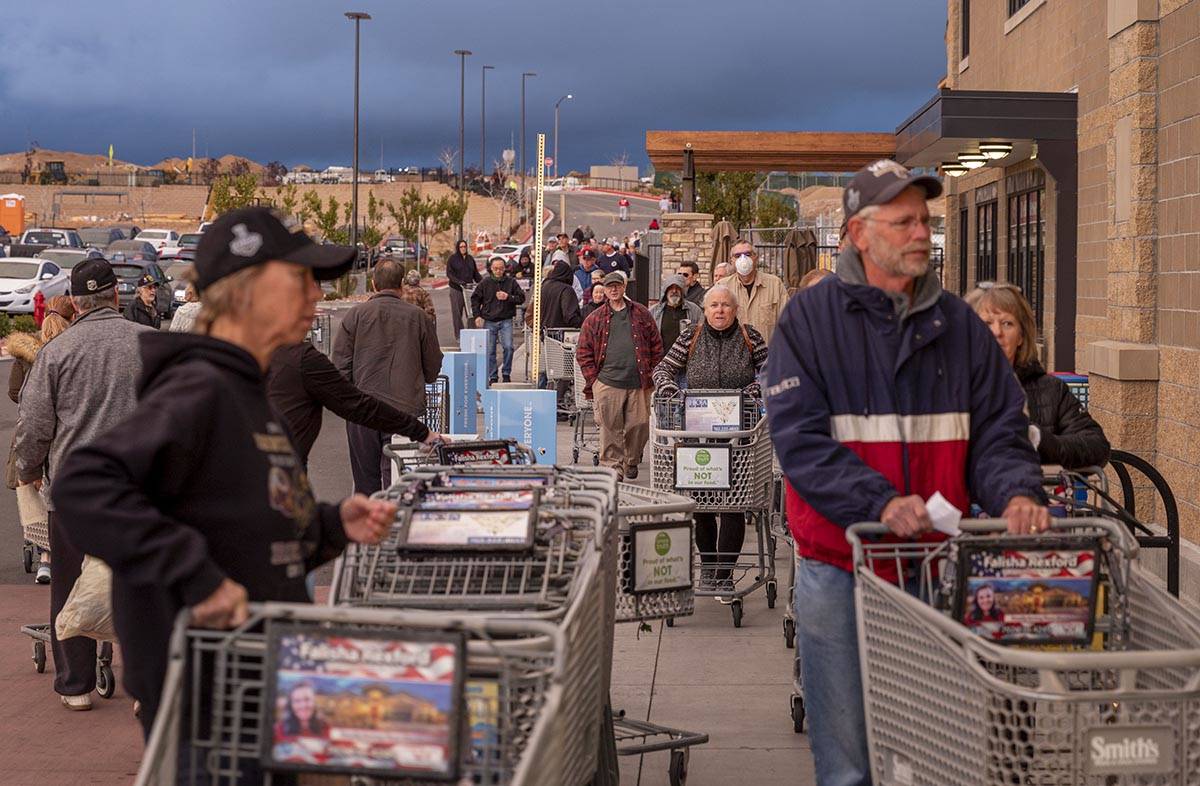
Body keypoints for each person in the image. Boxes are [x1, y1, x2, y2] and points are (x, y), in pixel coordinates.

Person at [52, 207, 397, 745]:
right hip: (210, 703)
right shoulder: (200, 387)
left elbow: (257, 533)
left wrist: (333, 526)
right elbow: (85, 483)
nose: (316, 296)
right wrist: (196, 577)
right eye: (300, 279)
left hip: (259, 685)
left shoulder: (246, 392)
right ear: (248, 291)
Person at [765, 160, 1048, 786]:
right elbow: (801, 441)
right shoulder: (808, 323)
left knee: (934, 754)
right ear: (861, 234)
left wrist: (1017, 493)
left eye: (924, 218)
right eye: (904, 221)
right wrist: (881, 502)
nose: (922, 231)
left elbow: (998, 430)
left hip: (936, 567)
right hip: (840, 566)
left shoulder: (960, 329)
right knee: (848, 762)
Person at [13, 258, 154, 712]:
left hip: (75, 492)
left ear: (75, 302)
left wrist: (27, 468)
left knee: (69, 585)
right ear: (117, 295)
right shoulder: (153, 345)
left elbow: (34, 426)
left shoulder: (56, 352)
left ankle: (76, 686)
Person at [653, 284, 767, 591]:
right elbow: (662, 370)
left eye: (725, 306)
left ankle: (725, 574)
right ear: (705, 310)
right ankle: (709, 565)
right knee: (701, 504)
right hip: (697, 435)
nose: (719, 310)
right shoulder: (690, 336)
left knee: (733, 504)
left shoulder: (750, 336)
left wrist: (748, 395)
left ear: (735, 309)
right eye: (713, 305)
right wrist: (672, 393)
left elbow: (769, 372)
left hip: (738, 437)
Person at [965, 283, 1110, 469]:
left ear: (1021, 337)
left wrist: (1035, 438)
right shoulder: (951, 388)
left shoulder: (1051, 390)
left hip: (1036, 495)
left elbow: (1097, 448)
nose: (997, 332)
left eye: (1007, 323)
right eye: (986, 324)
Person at [334, 258, 443, 494]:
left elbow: (340, 368)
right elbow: (433, 367)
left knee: (366, 483)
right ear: (402, 285)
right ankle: (395, 528)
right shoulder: (418, 317)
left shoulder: (355, 316)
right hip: (404, 412)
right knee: (396, 481)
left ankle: (370, 528)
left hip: (362, 411)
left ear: (373, 284)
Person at [267, 339, 441, 467]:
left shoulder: (251, 352)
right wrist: (421, 432)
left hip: (269, 484)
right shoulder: (300, 358)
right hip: (280, 485)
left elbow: (343, 370)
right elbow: (355, 404)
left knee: (366, 477)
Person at [7, 296, 75, 585]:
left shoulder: (27, 352)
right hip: (68, 433)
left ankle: (44, 556)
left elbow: (14, 391)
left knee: (35, 492)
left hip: (32, 430)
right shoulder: (74, 350)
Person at [576, 271, 663, 480]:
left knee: (640, 424)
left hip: (639, 381)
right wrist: (594, 380)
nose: (613, 290)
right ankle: (613, 467)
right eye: (609, 287)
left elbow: (656, 345)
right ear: (604, 290)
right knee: (609, 427)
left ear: (624, 287)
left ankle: (632, 459)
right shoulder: (594, 318)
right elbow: (583, 351)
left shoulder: (641, 313)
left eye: (617, 285)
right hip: (607, 381)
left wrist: (653, 371)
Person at [716, 240, 789, 345]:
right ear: (731, 261)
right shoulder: (722, 287)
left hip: (767, 357)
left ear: (756, 257)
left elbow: (788, 322)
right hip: (734, 358)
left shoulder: (774, 285)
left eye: (747, 254)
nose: (743, 259)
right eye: (737, 256)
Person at [471, 257, 526, 384]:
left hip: (506, 319)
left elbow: (521, 298)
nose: (498, 271)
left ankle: (506, 373)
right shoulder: (485, 283)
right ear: (491, 268)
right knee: (490, 350)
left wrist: (508, 297)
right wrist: (477, 315)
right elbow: (475, 299)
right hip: (489, 320)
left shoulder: (511, 282)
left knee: (508, 347)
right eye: (495, 268)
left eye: (501, 268)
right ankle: (493, 375)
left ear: (504, 268)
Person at [649, 274, 702, 352]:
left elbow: (701, 335)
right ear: (666, 291)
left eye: (678, 288)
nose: (674, 291)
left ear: (683, 290)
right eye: (671, 288)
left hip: (686, 360)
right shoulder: (653, 312)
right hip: (662, 360)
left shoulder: (695, 311)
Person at [446, 239, 480, 341]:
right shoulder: (453, 259)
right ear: (458, 248)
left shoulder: (470, 259)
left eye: (464, 246)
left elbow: (475, 274)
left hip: (469, 288)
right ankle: (459, 335)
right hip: (456, 289)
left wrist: (482, 283)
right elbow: (449, 274)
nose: (463, 248)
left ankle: (471, 333)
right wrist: (459, 282)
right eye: (461, 247)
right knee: (457, 313)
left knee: (471, 312)